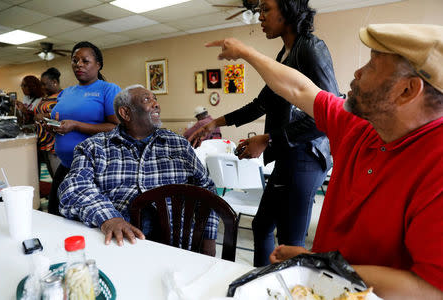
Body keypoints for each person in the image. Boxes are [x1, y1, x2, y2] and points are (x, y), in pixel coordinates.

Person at [205, 23, 443, 298]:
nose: (358, 72)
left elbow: (432, 287)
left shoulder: (435, 163)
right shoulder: (363, 127)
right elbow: (298, 89)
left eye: (373, 65)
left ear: (407, 91)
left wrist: (315, 265)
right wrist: (246, 52)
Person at [189, 0, 340, 267]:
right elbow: (261, 103)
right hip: (286, 155)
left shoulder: (312, 49)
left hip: (305, 157)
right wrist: (212, 123)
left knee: (289, 242)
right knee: (261, 226)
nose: (260, 17)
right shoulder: (286, 53)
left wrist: (268, 139)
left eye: (266, 9)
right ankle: (260, 280)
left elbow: (327, 116)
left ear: (288, 11)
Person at [58, 85, 219, 256]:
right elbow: (73, 189)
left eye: (155, 99)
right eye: (147, 100)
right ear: (125, 113)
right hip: (118, 246)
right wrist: (109, 218)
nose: (156, 104)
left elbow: (207, 189)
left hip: (175, 247)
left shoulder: (178, 145)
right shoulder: (94, 147)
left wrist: (208, 239)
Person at [47, 41, 121, 216]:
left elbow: (117, 128)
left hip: (94, 169)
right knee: (54, 213)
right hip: (65, 165)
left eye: (85, 61)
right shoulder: (66, 92)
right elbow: (63, 122)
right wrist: (54, 128)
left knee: (84, 218)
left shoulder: (108, 89)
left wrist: (75, 125)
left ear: (98, 65)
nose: (78, 64)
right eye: (74, 60)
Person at [34, 67, 63, 178]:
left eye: (44, 84)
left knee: (59, 178)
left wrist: (45, 116)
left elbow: (64, 116)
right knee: (53, 177)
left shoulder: (62, 96)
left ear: (54, 82)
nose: (42, 87)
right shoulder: (46, 98)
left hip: (54, 145)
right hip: (44, 144)